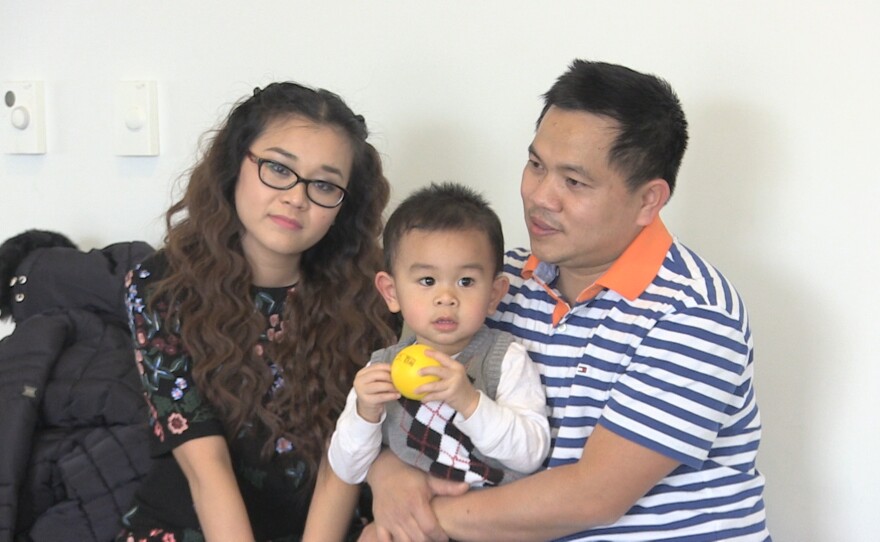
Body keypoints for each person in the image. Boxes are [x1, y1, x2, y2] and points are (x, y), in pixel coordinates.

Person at [361, 60, 771, 541]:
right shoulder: (491, 281)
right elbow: (402, 401)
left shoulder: (693, 313)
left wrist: (422, 523)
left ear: (648, 200)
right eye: (536, 165)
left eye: (573, 182)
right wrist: (389, 475)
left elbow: (591, 497)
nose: (540, 197)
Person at [118, 82, 399, 542]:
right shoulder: (159, 286)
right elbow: (207, 469)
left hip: (328, 524)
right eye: (278, 168)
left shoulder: (373, 296)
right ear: (236, 163)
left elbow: (346, 456)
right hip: (199, 523)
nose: (296, 197)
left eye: (324, 184)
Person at [321, 182, 550, 494]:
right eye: (427, 280)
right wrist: (365, 413)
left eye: (466, 281)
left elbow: (531, 455)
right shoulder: (382, 370)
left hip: (493, 519)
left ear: (494, 294)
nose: (446, 297)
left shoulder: (505, 359)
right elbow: (348, 470)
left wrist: (469, 402)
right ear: (391, 292)